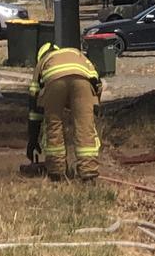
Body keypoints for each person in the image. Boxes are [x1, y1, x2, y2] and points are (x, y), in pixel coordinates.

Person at [26, 42, 102, 182]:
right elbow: (97, 83)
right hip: (82, 82)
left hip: (55, 83)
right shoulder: (76, 54)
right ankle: (88, 173)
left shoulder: (43, 62)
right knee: (85, 128)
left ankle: (56, 171)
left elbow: (34, 107)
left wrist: (32, 139)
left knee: (54, 125)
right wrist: (92, 111)